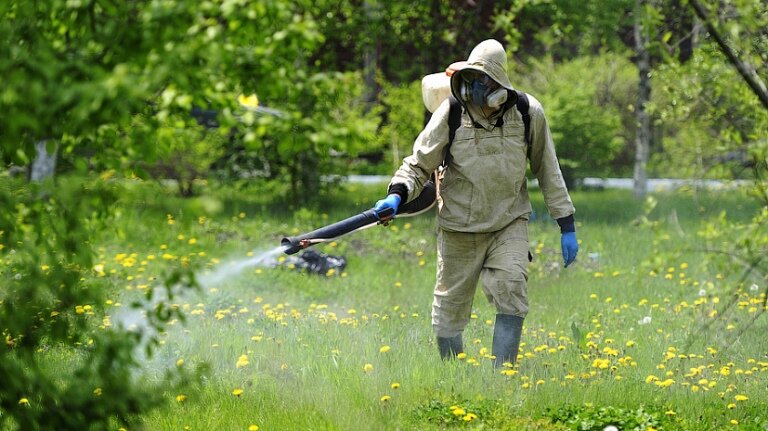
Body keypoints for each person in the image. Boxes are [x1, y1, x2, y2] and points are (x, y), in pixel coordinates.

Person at [373, 39, 578, 368]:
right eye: (471, 79)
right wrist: (396, 195)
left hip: (508, 222)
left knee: (511, 289)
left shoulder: (527, 112)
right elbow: (418, 163)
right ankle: (454, 376)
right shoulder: (452, 111)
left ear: (498, 83)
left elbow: (547, 168)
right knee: (449, 311)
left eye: (483, 81)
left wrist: (565, 223)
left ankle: (503, 375)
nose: (476, 89)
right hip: (459, 226)